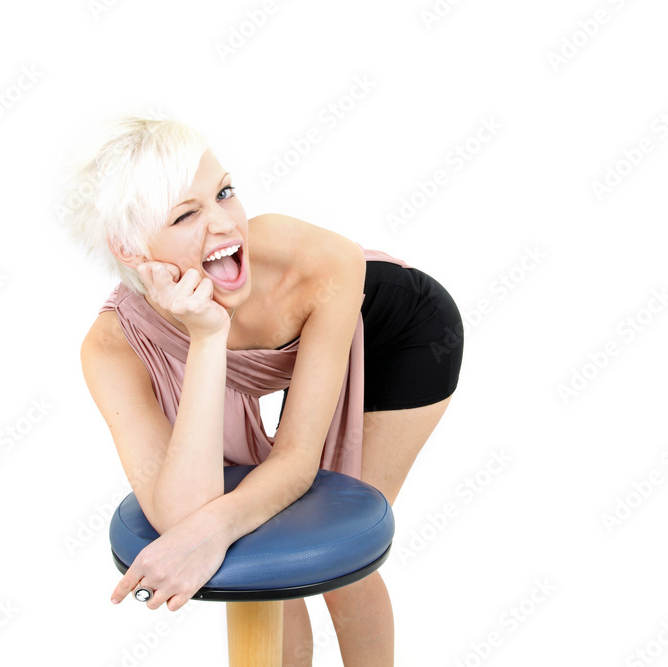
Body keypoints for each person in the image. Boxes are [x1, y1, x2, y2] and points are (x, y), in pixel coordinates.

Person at [59, 114, 463, 665]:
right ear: (129, 248)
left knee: (331, 550)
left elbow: (296, 462)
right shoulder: (112, 349)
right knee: (259, 558)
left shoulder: (319, 260)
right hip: (262, 344)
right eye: (185, 214)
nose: (224, 224)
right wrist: (207, 337)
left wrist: (215, 526)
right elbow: (181, 512)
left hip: (397, 334)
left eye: (224, 193)